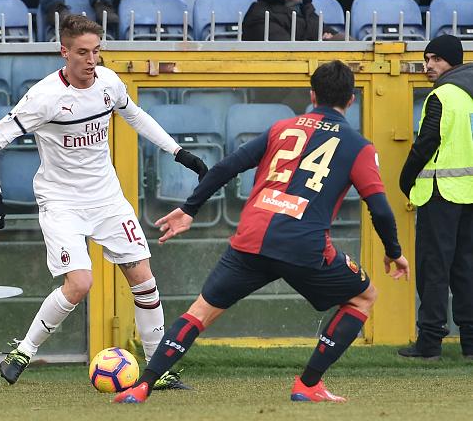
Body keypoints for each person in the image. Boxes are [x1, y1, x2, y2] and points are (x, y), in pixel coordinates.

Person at [114, 60, 410, 404]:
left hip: (250, 239)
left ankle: (142, 386)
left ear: (311, 94)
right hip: (303, 247)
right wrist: (393, 251)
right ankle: (308, 384)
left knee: (199, 313)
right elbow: (381, 209)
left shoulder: (280, 128)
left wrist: (190, 209)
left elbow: (226, 166)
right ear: (352, 101)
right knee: (364, 295)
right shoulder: (359, 146)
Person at [0, 14, 208, 388]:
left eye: (96, 51)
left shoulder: (109, 83)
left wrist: (179, 152)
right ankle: (24, 349)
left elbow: (136, 115)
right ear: (63, 51)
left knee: (144, 281)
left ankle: (157, 370)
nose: (91, 60)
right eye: (82, 52)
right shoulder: (45, 97)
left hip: (107, 200)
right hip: (61, 202)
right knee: (80, 283)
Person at [398, 35, 473, 360]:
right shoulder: (470, 94)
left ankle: (429, 342)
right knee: (465, 269)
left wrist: (405, 178)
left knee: (434, 269)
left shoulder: (443, 94)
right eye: (427, 59)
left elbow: (427, 141)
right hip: (468, 193)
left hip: (440, 193)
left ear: (451, 62)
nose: (428, 66)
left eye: (435, 59)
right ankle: (471, 343)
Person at [242, 0, 341, 41]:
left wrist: (332, 40)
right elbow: (288, 52)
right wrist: (324, 43)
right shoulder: (259, 15)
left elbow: (347, 42)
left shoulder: (306, 11)